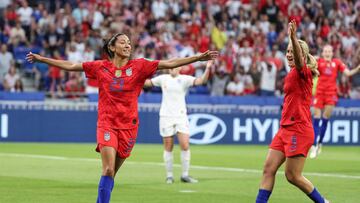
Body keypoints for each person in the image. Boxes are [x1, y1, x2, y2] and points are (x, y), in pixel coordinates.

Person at [26, 32, 218, 203]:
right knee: (108, 169)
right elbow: (72, 65)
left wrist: (198, 58)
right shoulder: (100, 67)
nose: (128, 45)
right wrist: (43, 59)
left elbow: (169, 63)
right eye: (123, 42)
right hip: (107, 124)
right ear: (112, 47)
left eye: (129, 43)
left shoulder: (140, 66)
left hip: (129, 127)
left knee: (111, 175)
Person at [255, 20, 330, 203]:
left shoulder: (302, 72)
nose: (289, 54)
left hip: (299, 129)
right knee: (268, 169)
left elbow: (297, 58)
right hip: (285, 129)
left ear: (302, 56)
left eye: (292, 51)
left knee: (292, 176)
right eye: (287, 51)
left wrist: (293, 37)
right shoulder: (291, 74)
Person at [144, 60, 213, 184]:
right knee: (168, 147)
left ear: (180, 68)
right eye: (172, 66)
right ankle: (169, 176)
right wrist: (135, 75)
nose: (173, 68)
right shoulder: (163, 78)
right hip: (166, 116)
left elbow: (201, 81)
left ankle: (185, 175)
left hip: (181, 116)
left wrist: (207, 68)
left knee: (185, 145)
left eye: (176, 66)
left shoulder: (185, 79)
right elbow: (147, 83)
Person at [309, 45, 360, 158]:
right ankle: (314, 145)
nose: (327, 53)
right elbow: (309, 64)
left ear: (332, 53)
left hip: (331, 94)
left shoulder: (337, 62)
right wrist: (313, 58)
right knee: (316, 117)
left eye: (329, 51)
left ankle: (319, 142)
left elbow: (348, 73)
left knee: (325, 119)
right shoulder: (319, 62)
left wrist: (357, 69)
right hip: (320, 93)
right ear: (322, 53)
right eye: (325, 51)